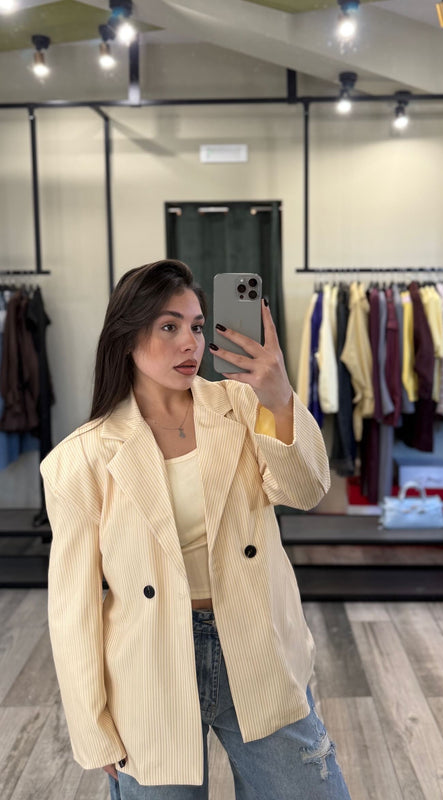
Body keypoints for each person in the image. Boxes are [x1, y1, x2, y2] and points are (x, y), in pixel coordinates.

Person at [41, 259, 352, 800]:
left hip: (254, 645)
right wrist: (93, 728)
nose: (190, 342)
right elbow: (74, 608)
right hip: (150, 667)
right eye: (169, 326)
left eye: (198, 326)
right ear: (126, 337)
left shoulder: (243, 405)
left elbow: (305, 491)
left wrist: (279, 396)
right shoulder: (80, 459)